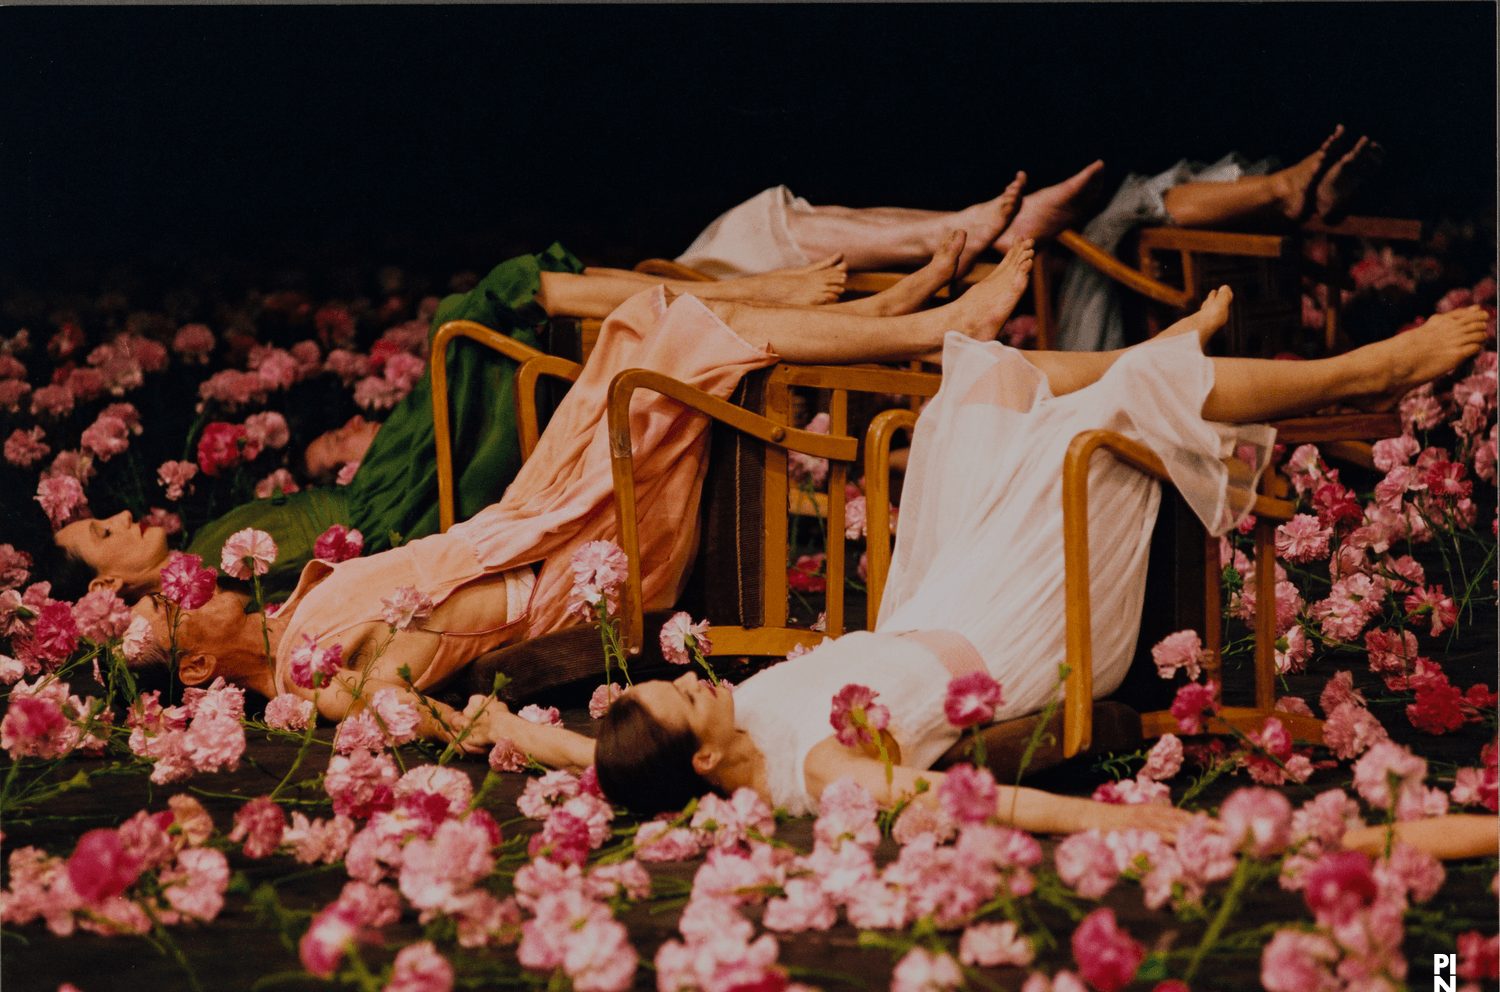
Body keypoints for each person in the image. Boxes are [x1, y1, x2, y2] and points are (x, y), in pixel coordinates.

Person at [446, 290, 1490, 843]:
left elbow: (602, 762)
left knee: (982, 379)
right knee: (1110, 415)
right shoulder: (819, 771)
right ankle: (1360, 368)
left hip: (938, 593)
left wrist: (501, 728)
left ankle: (1165, 362)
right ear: (711, 764)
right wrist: (1128, 824)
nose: (692, 678)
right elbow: (977, 810)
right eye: (686, 697)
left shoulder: (688, 760)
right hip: (1020, 636)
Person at [123, 236, 1044, 738]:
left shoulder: (294, 617)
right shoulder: (308, 672)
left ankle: (887, 316)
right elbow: (404, 698)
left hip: (534, 522)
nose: (194, 583)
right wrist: (395, 642)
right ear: (200, 665)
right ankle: (930, 327)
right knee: (665, 336)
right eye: (181, 614)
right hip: (574, 565)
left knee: (648, 315)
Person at [54, 244, 858, 605]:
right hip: (400, 518)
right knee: (480, 307)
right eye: (100, 530)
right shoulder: (187, 599)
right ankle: (763, 297)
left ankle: (754, 298)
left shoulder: (194, 553)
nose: (122, 515)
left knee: (489, 308)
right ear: (103, 583)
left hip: (382, 496)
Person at [677, 127, 1381, 352]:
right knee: (1123, 205)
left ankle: (1279, 190)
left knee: (1120, 208)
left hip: (694, 295)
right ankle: (1279, 191)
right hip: (693, 303)